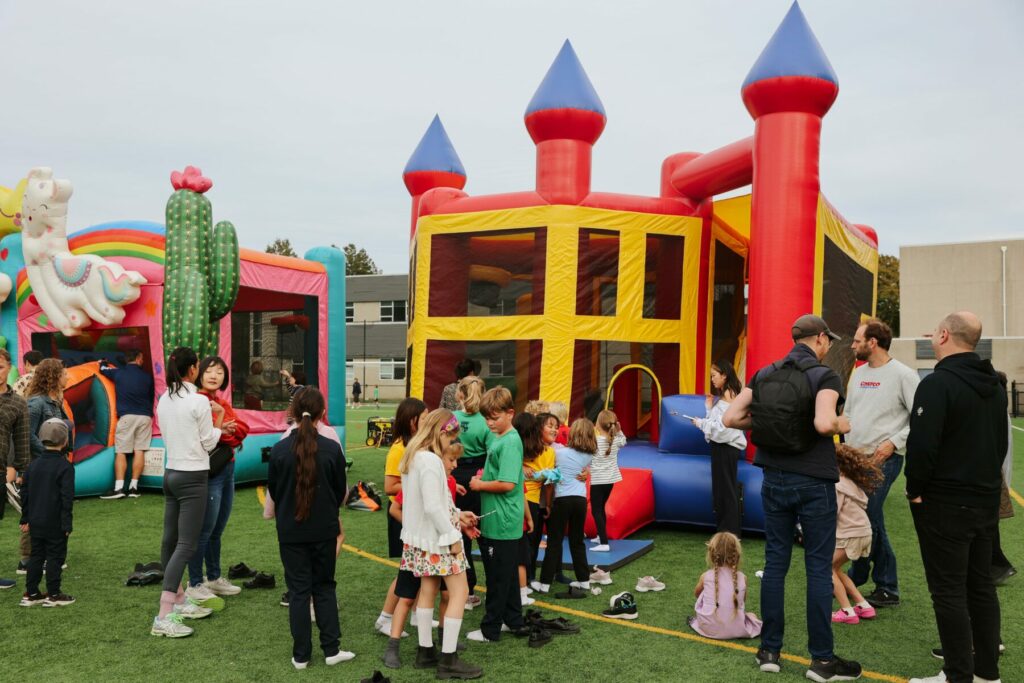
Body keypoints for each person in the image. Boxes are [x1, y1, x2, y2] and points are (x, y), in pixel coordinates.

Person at [723, 314, 862, 680]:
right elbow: (822, 424)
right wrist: (841, 424)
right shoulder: (824, 375)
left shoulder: (764, 374)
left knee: (775, 564)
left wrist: (769, 421)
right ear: (818, 340)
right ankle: (822, 661)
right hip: (813, 482)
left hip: (773, 480)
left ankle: (769, 650)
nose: (829, 345)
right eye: (827, 340)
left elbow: (731, 419)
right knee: (818, 568)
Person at [906, 312, 1006, 683]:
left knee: (948, 591)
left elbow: (922, 447)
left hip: (946, 503)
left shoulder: (937, 384)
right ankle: (986, 674)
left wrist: (914, 489)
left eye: (935, 330)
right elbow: (1000, 445)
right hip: (982, 501)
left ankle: (958, 674)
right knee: (979, 586)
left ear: (945, 335)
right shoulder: (994, 384)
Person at [267, 387, 355, 669]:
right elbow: (342, 494)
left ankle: (301, 655)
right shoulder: (331, 448)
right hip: (323, 530)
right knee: (324, 588)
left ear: (292, 414)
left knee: (299, 591)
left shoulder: (279, 450)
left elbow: (276, 492)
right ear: (323, 414)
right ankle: (331, 650)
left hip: (291, 532)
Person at [398, 409, 481, 678]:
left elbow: (427, 503)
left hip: (419, 539)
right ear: (442, 433)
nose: (451, 444)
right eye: (451, 437)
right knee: (460, 591)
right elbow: (434, 508)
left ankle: (426, 651)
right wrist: (453, 535)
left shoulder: (413, 454)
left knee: (427, 590)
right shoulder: (432, 461)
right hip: (438, 539)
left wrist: (456, 514)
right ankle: (448, 660)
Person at [844, 319, 918, 608]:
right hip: (855, 459)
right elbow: (849, 413)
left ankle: (872, 580)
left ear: (872, 342)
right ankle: (873, 581)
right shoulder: (858, 374)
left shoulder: (904, 375)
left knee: (870, 515)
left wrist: (893, 443)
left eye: (856, 339)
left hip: (883, 460)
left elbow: (920, 418)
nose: (852, 344)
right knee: (868, 518)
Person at [151, 347, 224, 638]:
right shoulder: (198, 401)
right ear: (193, 369)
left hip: (171, 473)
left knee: (171, 541)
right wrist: (218, 418)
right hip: (193, 476)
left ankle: (179, 600)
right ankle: (164, 615)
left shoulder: (164, 399)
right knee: (186, 545)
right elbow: (209, 443)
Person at [383, 439, 462, 669]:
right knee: (407, 597)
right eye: (451, 459)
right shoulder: (424, 473)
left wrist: (459, 517)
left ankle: (438, 643)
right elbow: (404, 508)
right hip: (421, 545)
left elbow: (444, 511)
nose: (454, 464)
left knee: (440, 594)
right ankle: (393, 644)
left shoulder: (445, 479)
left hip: (436, 546)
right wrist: (416, 530)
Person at [186, 356, 250, 601]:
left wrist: (224, 430)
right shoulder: (197, 402)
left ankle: (213, 578)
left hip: (227, 469)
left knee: (217, 529)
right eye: (210, 371)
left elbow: (242, 431)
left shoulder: (220, 402)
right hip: (209, 471)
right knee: (204, 529)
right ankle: (195, 582)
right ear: (199, 373)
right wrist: (223, 431)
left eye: (220, 372)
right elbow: (209, 437)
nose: (214, 376)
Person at [467, 386, 528, 642]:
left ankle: (490, 629)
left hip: (502, 520)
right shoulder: (501, 439)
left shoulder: (511, 441)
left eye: (495, 417)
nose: (490, 423)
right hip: (498, 517)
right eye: (487, 418)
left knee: (497, 578)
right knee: (508, 575)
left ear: (510, 413)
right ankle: (513, 621)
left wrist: (480, 485)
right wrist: (485, 476)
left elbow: (508, 484)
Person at [376, 397, 429, 638]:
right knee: (407, 570)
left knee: (419, 568)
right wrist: (417, 483)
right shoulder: (399, 448)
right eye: (424, 417)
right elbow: (389, 486)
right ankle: (385, 618)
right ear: (412, 421)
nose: (428, 422)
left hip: (415, 514)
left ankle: (419, 613)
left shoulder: (419, 445)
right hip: (402, 515)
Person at [534, 418, 597, 599]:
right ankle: (584, 580)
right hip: (580, 501)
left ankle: (545, 583)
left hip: (562, 500)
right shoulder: (590, 455)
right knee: (577, 541)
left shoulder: (559, 452)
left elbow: (548, 451)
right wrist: (587, 472)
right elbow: (591, 467)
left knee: (554, 541)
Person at [18, 418, 75, 607]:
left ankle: (32, 593)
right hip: (56, 521)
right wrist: (67, 523)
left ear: (41, 438)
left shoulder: (32, 466)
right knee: (55, 557)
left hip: (35, 520)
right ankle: (54, 594)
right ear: (65, 441)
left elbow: (24, 493)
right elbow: (67, 498)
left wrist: (25, 517)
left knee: (36, 556)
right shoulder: (65, 466)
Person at [22, 359, 70, 574]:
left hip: (51, 464)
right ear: (53, 377)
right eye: (64, 374)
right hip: (39, 465)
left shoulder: (55, 402)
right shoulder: (36, 403)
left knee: (50, 507)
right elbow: (28, 434)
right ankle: (28, 559)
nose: (67, 377)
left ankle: (45, 555)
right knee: (36, 509)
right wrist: (48, 456)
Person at [452, 377, 493, 610]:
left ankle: (466, 591)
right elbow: (491, 452)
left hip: (457, 474)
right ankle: (493, 587)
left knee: (462, 532)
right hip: (479, 475)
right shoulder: (486, 422)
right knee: (484, 532)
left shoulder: (452, 419)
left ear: (459, 394)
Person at [692, 359, 746, 536]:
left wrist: (701, 423)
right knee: (722, 491)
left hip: (726, 448)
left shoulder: (729, 395)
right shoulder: (726, 395)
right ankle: (726, 533)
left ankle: (728, 533)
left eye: (714, 376)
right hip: (722, 448)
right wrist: (708, 410)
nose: (712, 380)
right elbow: (719, 424)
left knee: (726, 491)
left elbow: (723, 429)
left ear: (724, 375)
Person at [831, 444, 882, 625]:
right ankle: (863, 605)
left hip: (850, 534)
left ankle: (847, 611)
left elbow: (832, 511)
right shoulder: (852, 483)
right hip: (863, 532)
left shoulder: (837, 484)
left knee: (825, 568)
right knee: (835, 569)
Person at [100, 349, 155, 499]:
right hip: (145, 417)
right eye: (142, 358)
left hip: (127, 416)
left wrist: (103, 362)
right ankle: (133, 488)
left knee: (122, 451)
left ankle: (119, 488)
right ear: (138, 358)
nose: (142, 361)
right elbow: (151, 397)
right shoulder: (148, 377)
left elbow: (102, 369)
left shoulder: (118, 373)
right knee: (140, 450)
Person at [688, 532, 762, 639]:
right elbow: (742, 601)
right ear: (736, 555)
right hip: (736, 629)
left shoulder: (706, 576)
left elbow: (696, 594)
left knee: (706, 592)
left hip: (708, 628)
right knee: (751, 616)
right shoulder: (742, 577)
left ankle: (712, 619)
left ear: (712, 555)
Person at [0, 348, 31, 590]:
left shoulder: (18, 403)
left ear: (9, 368)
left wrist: (23, 472)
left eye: (0, 366)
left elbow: (21, 441)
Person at [512, 412, 545, 606]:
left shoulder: (518, 449)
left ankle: (524, 585)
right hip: (528, 501)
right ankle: (526, 584)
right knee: (526, 547)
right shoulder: (539, 449)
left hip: (523, 500)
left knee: (523, 547)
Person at [522, 412, 556, 588]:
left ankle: (528, 578)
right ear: (538, 428)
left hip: (532, 500)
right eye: (550, 425)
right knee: (530, 542)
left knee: (531, 541)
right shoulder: (530, 447)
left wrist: (548, 504)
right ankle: (527, 579)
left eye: (556, 426)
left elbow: (549, 482)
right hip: (528, 500)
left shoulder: (549, 451)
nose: (555, 429)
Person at [591, 409, 625, 551]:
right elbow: (623, 441)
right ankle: (600, 535)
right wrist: (619, 430)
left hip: (598, 481)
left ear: (598, 425)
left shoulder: (596, 441)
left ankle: (604, 543)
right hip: (610, 481)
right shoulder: (616, 440)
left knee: (596, 510)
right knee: (601, 508)